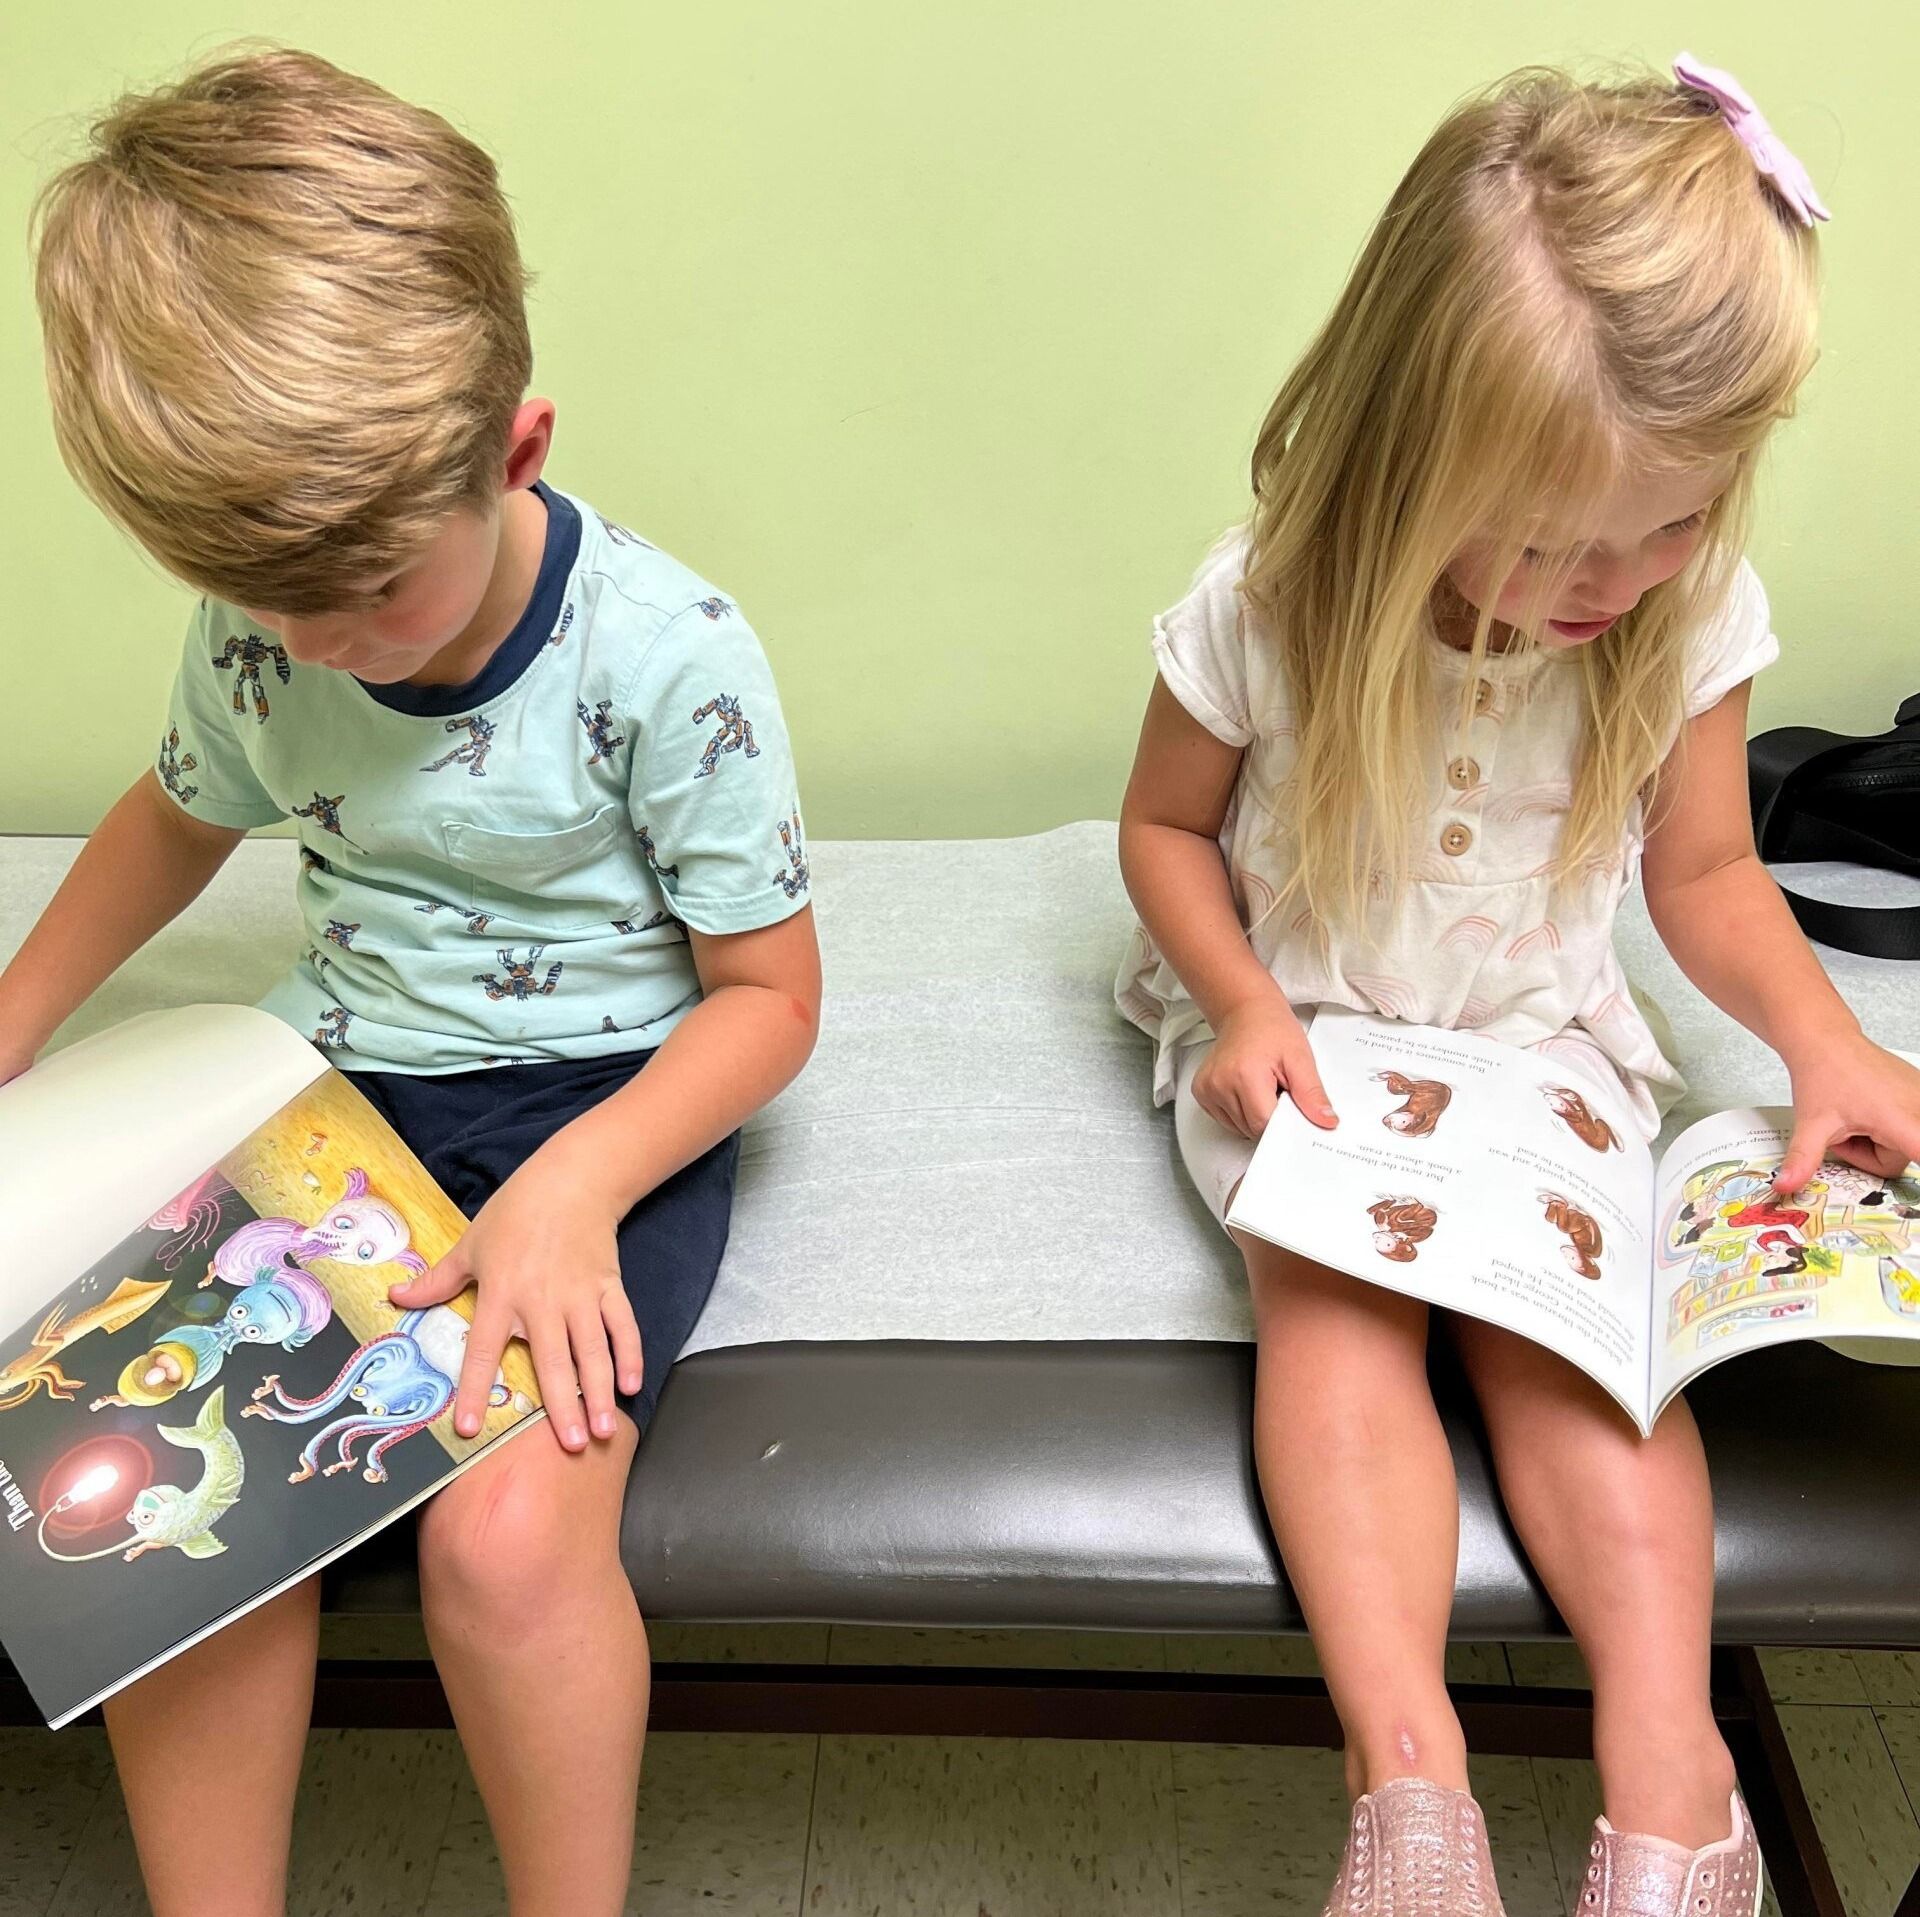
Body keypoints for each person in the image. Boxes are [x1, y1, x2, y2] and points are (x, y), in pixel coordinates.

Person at [4, 48, 820, 1917]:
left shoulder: (668, 658)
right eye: (268, 613)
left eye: (366, 598)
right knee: (165, 1519)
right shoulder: (268, 618)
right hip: (337, 1094)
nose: (312, 651)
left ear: (517, 450)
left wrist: (575, 1188)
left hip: (607, 1105)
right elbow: (180, 808)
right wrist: (21, 1006)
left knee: (510, 1547)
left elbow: (768, 1000)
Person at [1115, 55, 1920, 1917]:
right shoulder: (1275, 595)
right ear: (1411, 448)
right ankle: (1411, 1782)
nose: (1616, 582)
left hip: (1541, 1037)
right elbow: (1161, 834)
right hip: (1313, 1020)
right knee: (1335, 1316)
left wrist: (1826, 1040)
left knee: (1585, 1361)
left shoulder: (1686, 609)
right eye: (1561, 538)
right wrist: (1240, 1003)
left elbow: (1705, 870)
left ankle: (1676, 1789)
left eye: (1669, 525)